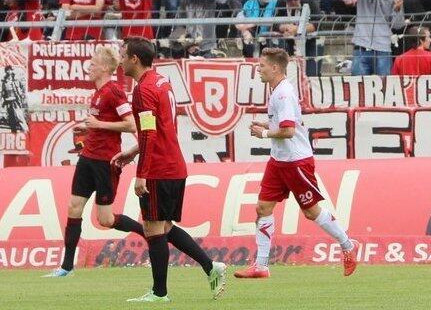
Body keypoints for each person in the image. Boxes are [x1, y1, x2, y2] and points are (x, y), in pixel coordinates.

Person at [112, 38, 227, 302]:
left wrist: (141, 173)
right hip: (174, 165)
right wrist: (132, 151)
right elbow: (157, 128)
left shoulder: (143, 90)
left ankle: (159, 293)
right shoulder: (161, 81)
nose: (120, 60)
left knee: (153, 228)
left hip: (159, 168)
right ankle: (211, 267)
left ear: (134, 59)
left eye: (122, 55)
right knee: (163, 227)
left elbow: (151, 133)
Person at [234, 48, 360, 278]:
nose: (258, 69)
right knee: (263, 208)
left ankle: (348, 245)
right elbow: (284, 124)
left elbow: (289, 131)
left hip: (296, 162)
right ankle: (261, 266)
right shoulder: (276, 91)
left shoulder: (283, 94)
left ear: (275, 68)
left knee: (311, 213)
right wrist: (266, 124)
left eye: (262, 65)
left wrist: (263, 135)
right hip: (278, 160)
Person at [42, 48, 144, 278]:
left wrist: (97, 125)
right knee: (73, 207)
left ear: (106, 68)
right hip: (87, 158)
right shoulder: (97, 94)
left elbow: (131, 125)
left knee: (105, 219)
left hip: (105, 162)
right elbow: (101, 123)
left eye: (93, 64)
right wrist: (87, 127)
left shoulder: (114, 92)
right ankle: (67, 267)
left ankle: (147, 233)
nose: (89, 68)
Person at [351, 0, 405, 76]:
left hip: (383, 48)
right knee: (359, 86)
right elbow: (347, 0)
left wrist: (398, 9)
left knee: (384, 86)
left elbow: (397, 25)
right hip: (361, 45)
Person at [1, 65, 26, 133]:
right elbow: (3, 92)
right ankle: (13, 132)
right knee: (11, 118)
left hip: (15, 101)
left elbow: (21, 89)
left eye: (10, 70)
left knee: (19, 116)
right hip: (8, 101)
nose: (9, 71)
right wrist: (3, 101)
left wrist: (22, 97)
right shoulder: (4, 81)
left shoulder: (15, 80)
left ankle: (25, 131)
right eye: (7, 70)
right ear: (6, 71)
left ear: (12, 71)